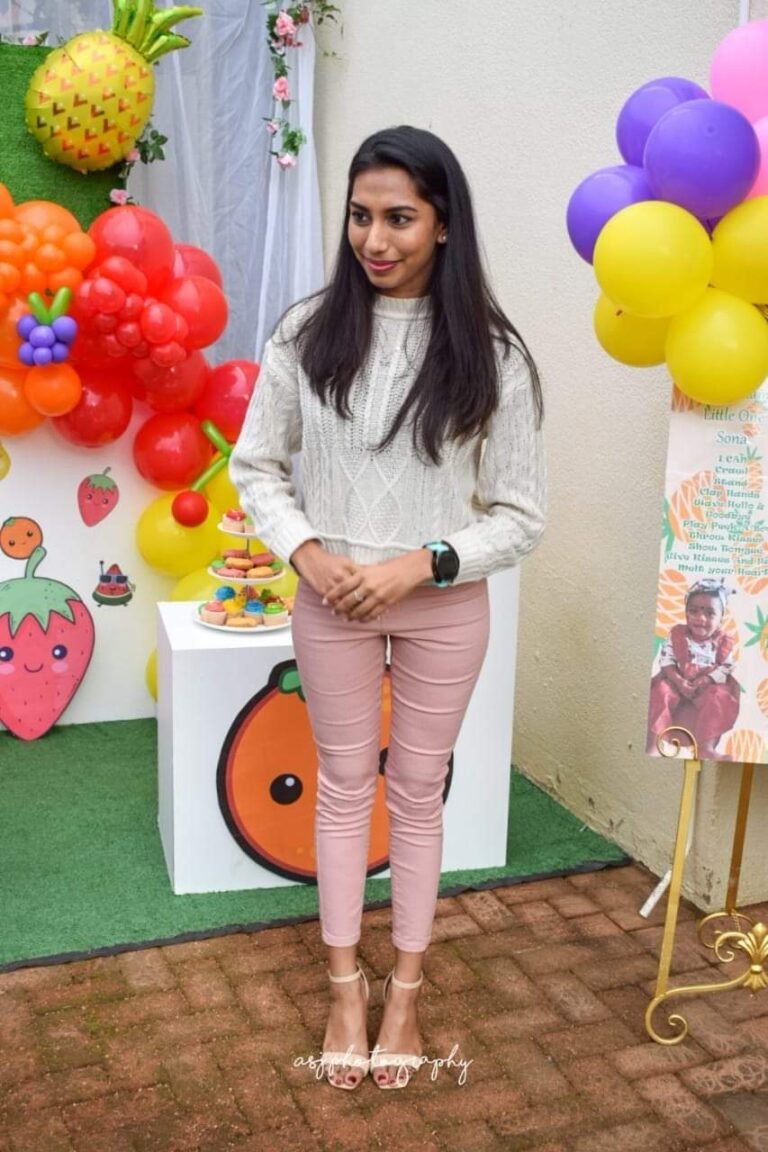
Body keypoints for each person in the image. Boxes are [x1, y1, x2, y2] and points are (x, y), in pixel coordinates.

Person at [230, 125, 545, 1090]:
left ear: (443, 224)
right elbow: (256, 466)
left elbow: (521, 516)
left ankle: (404, 992)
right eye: (361, 216)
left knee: (415, 791)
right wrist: (309, 554)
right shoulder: (305, 333)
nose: (375, 238)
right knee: (342, 787)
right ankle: (344, 988)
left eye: (400, 218)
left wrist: (421, 565)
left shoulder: (493, 354)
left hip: (442, 606)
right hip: (332, 602)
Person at [647, 578, 740, 760]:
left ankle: (706, 747)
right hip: (676, 680)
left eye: (710, 613)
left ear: (721, 619)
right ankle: (654, 742)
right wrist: (678, 681)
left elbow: (726, 667)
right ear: (686, 613)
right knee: (660, 691)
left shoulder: (723, 642)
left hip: (708, 686)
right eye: (693, 611)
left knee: (719, 698)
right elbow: (666, 661)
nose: (700, 618)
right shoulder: (677, 634)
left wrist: (707, 679)